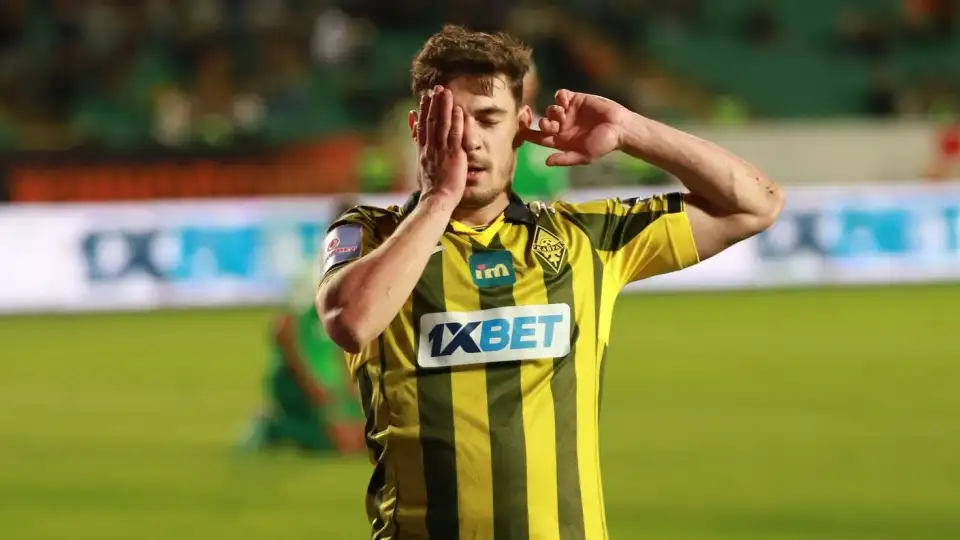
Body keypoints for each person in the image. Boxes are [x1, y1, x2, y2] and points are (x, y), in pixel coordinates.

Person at [316, 25, 784, 540]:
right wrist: (437, 200)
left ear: (521, 126)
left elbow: (756, 203)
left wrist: (630, 129)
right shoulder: (371, 234)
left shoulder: (585, 239)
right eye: (451, 120)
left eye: (488, 119)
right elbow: (350, 321)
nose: (469, 139)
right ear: (418, 128)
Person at [240, 204, 365, 455]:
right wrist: (311, 382)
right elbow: (282, 330)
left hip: (329, 378)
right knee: (345, 444)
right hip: (297, 376)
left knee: (366, 440)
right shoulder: (313, 275)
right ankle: (274, 428)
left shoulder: (352, 275)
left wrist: (349, 384)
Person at [512, 61, 570, 202]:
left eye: (523, 77)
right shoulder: (481, 137)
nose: (518, 85)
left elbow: (559, 195)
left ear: (535, 83)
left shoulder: (552, 135)